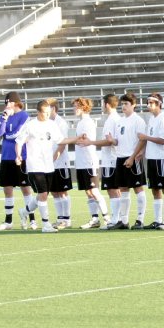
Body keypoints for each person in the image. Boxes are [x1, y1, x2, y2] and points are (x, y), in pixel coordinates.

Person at [57, 97, 110, 229]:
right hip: (81, 162)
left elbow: (82, 139)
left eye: (76, 106)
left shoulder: (87, 122)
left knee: (94, 190)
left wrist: (63, 140)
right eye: (74, 106)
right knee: (88, 191)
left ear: (83, 107)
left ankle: (107, 218)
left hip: (89, 161)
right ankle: (94, 219)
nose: (74, 109)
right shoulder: (80, 122)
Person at [14, 98, 65, 233]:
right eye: (45, 112)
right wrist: (18, 155)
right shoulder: (31, 125)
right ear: (38, 112)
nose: (48, 115)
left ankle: (24, 212)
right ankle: (46, 224)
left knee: (42, 195)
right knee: (42, 194)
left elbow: (61, 140)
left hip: (48, 165)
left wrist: (77, 140)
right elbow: (19, 142)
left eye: (49, 112)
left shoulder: (52, 125)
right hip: (34, 165)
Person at [0, 92, 37, 230]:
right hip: (6, 156)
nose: (7, 105)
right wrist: (4, 119)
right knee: (7, 188)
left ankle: (32, 220)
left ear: (16, 102)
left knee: (25, 188)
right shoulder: (4, 116)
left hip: (20, 156)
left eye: (9, 102)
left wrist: (6, 134)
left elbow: (18, 134)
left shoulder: (24, 116)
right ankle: (8, 221)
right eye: (6, 103)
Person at [78, 94, 122, 230]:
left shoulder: (111, 120)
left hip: (108, 160)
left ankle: (114, 219)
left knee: (112, 190)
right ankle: (110, 219)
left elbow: (110, 141)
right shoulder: (112, 119)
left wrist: (90, 142)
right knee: (109, 190)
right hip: (108, 160)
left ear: (106, 104)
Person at [130, 93, 164, 230]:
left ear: (159, 103)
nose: (149, 105)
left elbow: (163, 140)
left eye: (152, 103)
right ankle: (157, 220)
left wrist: (146, 137)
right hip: (151, 158)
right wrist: (142, 152)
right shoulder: (151, 119)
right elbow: (151, 139)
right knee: (155, 190)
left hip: (161, 159)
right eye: (148, 102)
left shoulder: (163, 119)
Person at [112, 93, 148, 230]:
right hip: (120, 158)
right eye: (122, 104)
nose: (123, 106)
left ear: (134, 105)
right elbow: (117, 140)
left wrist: (133, 157)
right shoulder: (120, 121)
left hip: (132, 158)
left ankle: (140, 219)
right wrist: (111, 140)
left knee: (138, 188)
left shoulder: (138, 120)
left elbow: (142, 140)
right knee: (123, 189)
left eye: (126, 104)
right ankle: (124, 221)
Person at [49, 100, 73, 229]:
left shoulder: (61, 123)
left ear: (53, 108)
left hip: (60, 163)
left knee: (63, 191)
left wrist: (54, 157)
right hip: (50, 164)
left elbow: (62, 144)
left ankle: (67, 219)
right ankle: (60, 218)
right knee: (54, 192)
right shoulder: (47, 123)